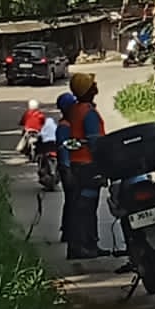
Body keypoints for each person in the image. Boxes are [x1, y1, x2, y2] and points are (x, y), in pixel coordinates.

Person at [65, 72, 108, 260]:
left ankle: (81, 245)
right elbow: (95, 142)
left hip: (76, 164)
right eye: (93, 85)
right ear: (88, 90)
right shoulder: (88, 113)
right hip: (88, 165)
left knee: (79, 207)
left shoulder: (74, 110)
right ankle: (86, 245)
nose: (96, 87)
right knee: (87, 207)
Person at [55, 92, 76, 243]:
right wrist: (67, 169)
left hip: (68, 167)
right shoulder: (64, 126)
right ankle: (68, 230)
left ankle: (68, 230)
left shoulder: (69, 124)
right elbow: (63, 150)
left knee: (72, 199)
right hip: (67, 167)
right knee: (72, 199)